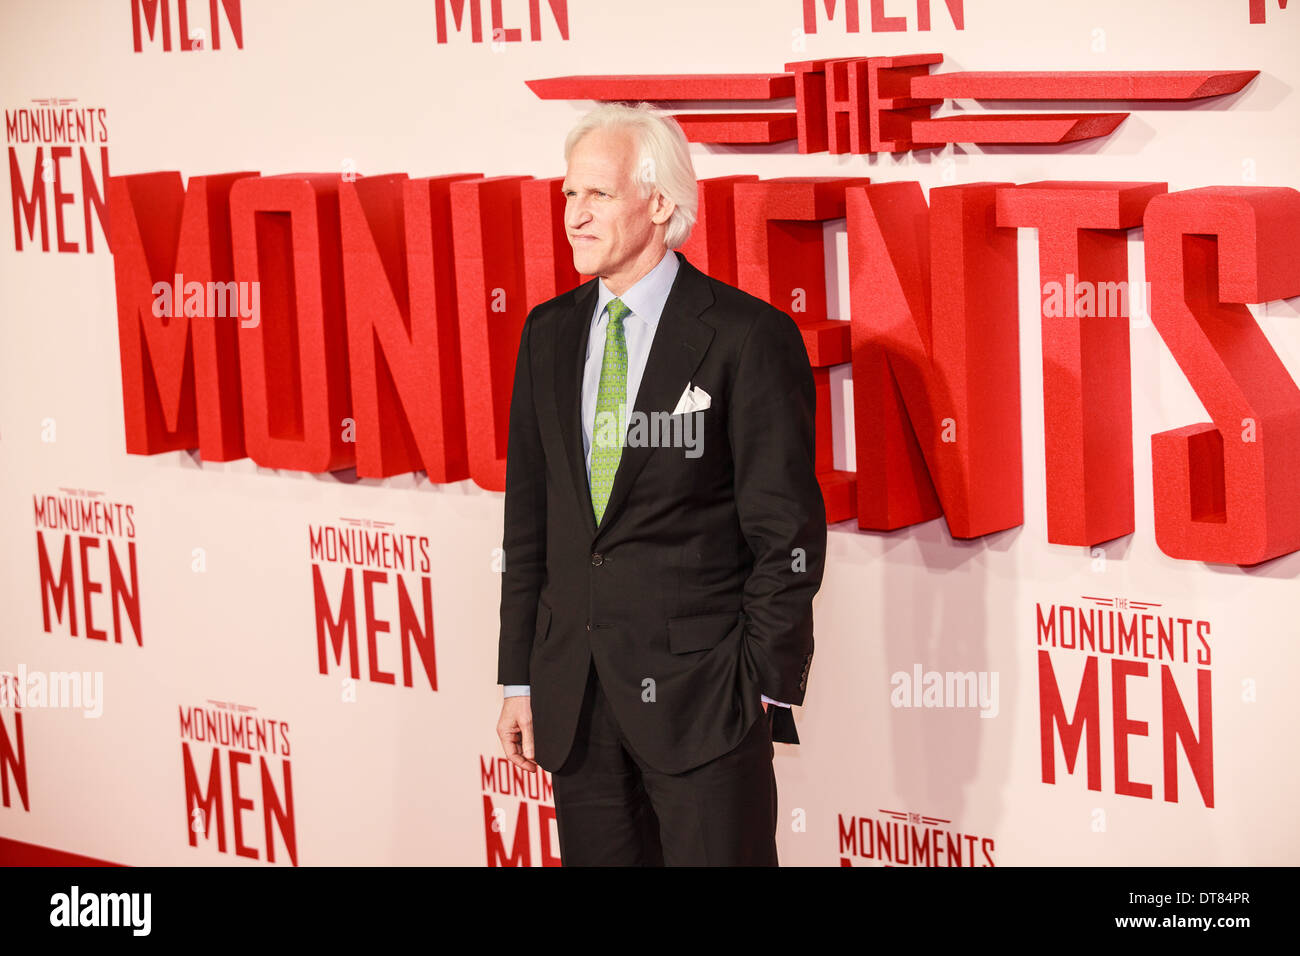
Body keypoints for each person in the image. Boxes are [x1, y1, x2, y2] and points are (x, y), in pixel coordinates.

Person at [495, 102, 826, 866]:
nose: (574, 216)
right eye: (569, 195)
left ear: (660, 204)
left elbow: (787, 534)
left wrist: (758, 691)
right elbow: (530, 524)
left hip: (705, 704)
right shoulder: (548, 331)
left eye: (597, 196)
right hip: (574, 702)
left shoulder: (745, 336)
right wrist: (520, 675)